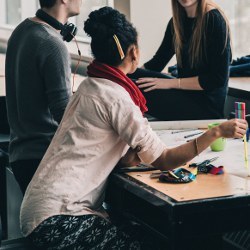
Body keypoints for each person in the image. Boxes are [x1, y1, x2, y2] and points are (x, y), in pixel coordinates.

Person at [20, 6, 247, 250]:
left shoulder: (90, 86)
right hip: (60, 221)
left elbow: (102, 148)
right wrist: (215, 132)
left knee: (143, 230)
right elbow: (165, 159)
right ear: (134, 52)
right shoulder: (117, 98)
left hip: (38, 210)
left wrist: (129, 154)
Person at [5, 0, 82, 194]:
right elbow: (64, 114)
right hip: (44, 158)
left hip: (21, 157)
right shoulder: (53, 44)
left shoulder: (22, 30)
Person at [130, 0, 231, 121]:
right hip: (184, 92)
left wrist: (168, 83)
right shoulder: (176, 22)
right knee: (125, 76)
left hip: (205, 107)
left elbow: (217, 79)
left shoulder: (214, 20)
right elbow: (157, 63)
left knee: (131, 87)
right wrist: (127, 70)